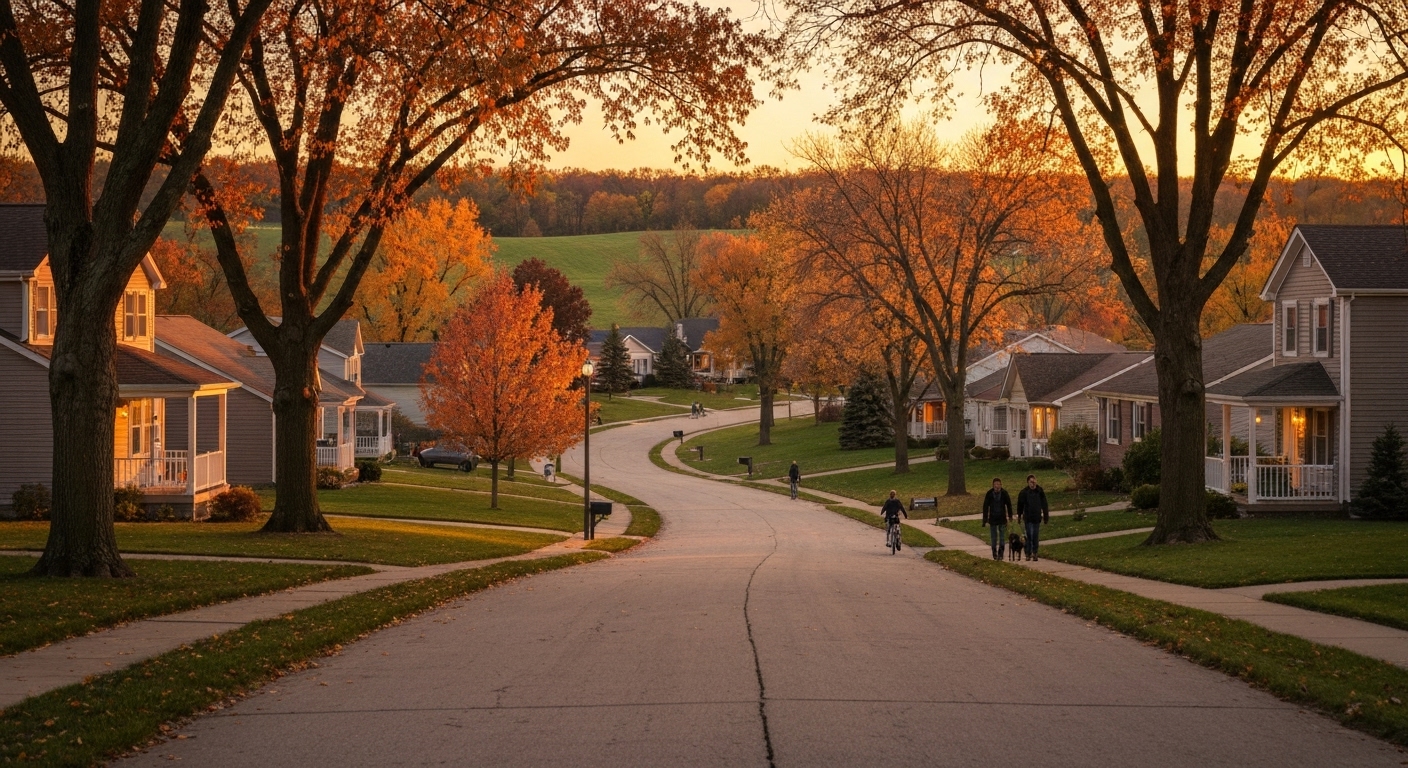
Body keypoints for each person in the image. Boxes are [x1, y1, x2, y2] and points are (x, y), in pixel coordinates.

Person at [1016, 474, 1050, 561]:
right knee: (1029, 535)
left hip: (1037, 517)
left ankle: (1035, 552)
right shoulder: (1024, 492)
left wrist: (1045, 516)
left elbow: (1044, 504)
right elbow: (1020, 505)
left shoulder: (1039, 491)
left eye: (1034, 481)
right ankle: (1028, 553)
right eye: (1031, 482)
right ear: (1028, 482)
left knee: (1035, 535)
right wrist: (1019, 516)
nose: (1033, 484)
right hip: (1028, 517)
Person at [981, 477, 1013, 560]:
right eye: (995, 484)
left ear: (1001, 485)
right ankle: (994, 551)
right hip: (993, 518)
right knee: (994, 537)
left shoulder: (1004, 493)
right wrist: (985, 519)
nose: (997, 486)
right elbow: (985, 506)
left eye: (998, 484)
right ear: (993, 485)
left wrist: (1010, 516)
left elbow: (1009, 505)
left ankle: (1001, 552)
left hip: (1002, 518)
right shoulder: (989, 494)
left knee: (1002, 537)